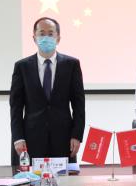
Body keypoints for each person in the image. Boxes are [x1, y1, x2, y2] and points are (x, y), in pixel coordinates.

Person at [9, 17, 86, 168]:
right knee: (31, 180)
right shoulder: (22, 67)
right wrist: (18, 137)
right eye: (41, 33)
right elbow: (15, 106)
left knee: (64, 181)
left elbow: (79, 104)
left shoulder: (71, 65)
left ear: (58, 38)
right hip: (30, 139)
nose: (46, 37)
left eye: (51, 34)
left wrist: (77, 135)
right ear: (34, 38)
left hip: (64, 139)